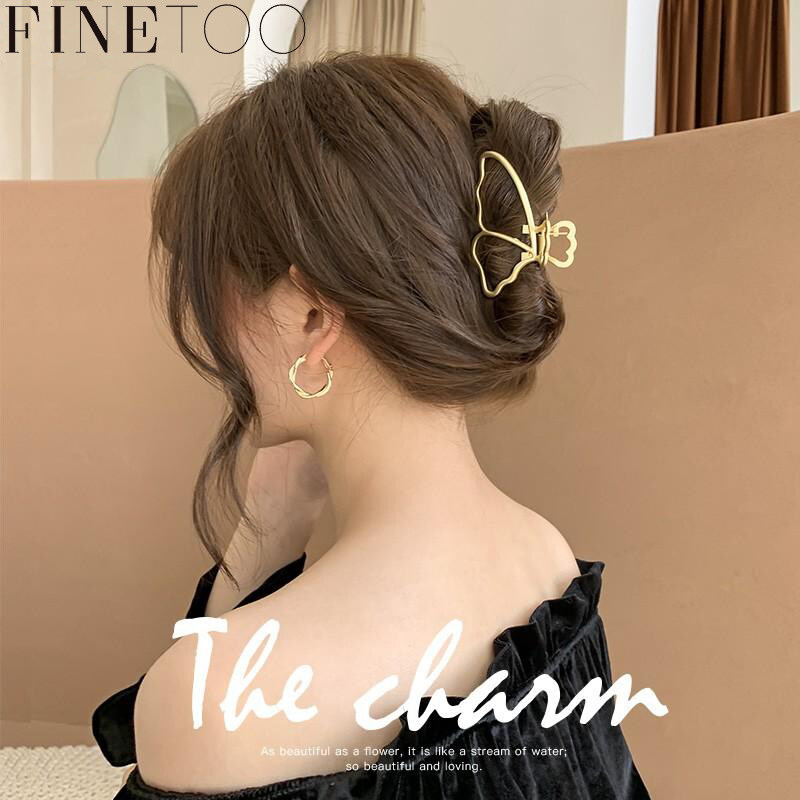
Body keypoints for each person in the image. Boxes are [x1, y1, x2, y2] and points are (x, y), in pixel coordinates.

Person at [92, 52, 651, 799]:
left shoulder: (223, 697)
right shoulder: (546, 565)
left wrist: (248, 565)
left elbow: (188, 727)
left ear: (311, 316)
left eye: (210, 283)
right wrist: (267, 532)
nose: (208, 325)